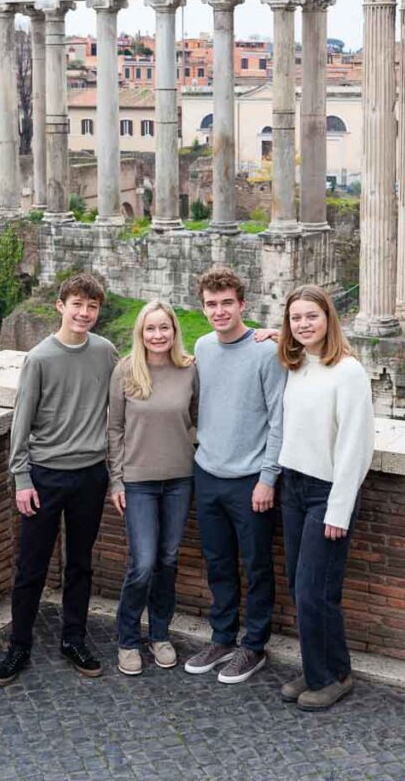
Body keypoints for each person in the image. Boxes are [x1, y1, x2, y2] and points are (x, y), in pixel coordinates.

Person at [0, 273, 117, 687]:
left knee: (80, 564)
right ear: (61, 306)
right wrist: (22, 478)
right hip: (44, 476)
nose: (84, 313)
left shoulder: (106, 352)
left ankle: (73, 638)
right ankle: (19, 644)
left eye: (92, 306)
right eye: (77, 304)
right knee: (32, 567)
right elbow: (20, 423)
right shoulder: (40, 358)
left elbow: (130, 394)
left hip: (90, 476)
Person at [184, 267, 286, 684]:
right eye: (211, 304)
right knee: (218, 562)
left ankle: (254, 645)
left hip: (250, 479)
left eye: (227, 302)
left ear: (243, 304)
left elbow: (280, 418)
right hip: (207, 472)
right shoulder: (203, 347)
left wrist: (268, 477)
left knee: (257, 564)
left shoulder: (265, 351)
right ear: (203, 307)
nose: (219, 310)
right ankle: (222, 636)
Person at [276, 285, 374, 712]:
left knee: (312, 590)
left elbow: (356, 444)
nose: (303, 324)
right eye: (295, 318)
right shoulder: (297, 364)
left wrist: (339, 506)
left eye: (311, 316)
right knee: (308, 591)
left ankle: (325, 677)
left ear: (329, 318)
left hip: (325, 493)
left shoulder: (348, 371)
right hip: (292, 486)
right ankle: (331, 667)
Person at [108, 300, 198, 676]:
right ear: (140, 332)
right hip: (138, 481)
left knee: (168, 560)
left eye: (165, 328)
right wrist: (116, 479)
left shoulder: (190, 369)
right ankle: (128, 639)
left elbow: (197, 419)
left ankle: (160, 634)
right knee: (142, 563)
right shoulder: (126, 370)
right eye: (151, 328)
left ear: (174, 331)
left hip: (179, 479)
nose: (158, 335)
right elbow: (114, 429)